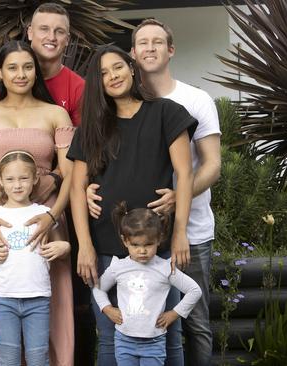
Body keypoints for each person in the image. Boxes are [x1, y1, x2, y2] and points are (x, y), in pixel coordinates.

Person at [87, 18, 221, 365]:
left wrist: (180, 198)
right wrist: (86, 188)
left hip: (185, 230)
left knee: (191, 323)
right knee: (124, 327)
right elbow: (93, 166)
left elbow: (210, 165)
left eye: (157, 42)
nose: (150, 48)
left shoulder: (191, 101)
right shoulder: (105, 114)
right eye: (142, 42)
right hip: (126, 237)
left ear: (170, 49)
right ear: (134, 53)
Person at [68, 44, 197, 366]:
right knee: (110, 337)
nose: (112, 76)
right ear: (97, 84)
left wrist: (179, 233)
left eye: (117, 67)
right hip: (107, 246)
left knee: (168, 333)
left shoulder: (166, 112)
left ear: (131, 67)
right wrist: (84, 245)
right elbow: (75, 187)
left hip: (157, 246)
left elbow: (184, 172)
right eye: (103, 74)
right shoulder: (92, 128)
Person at [0, 40, 75, 366]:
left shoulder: (55, 113)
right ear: (0, 73)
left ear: (36, 71)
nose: (20, 74)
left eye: (27, 66)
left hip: (44, 220)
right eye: (12, 67)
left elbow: (70, 170)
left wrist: (53, 216)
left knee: (49, 307)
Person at [0, 150, 70, 366]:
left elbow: (62, 249)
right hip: (4, 300)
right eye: (10, 179)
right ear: (0, 180)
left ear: (35, 179)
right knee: (9, 359)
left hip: (38, 299)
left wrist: (64, 247)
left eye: (24, 178)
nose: (17, 185)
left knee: (38, 358)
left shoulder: (44, 213)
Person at [92, 202, 201, 366]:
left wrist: (174, 313)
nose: (142, 251)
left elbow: (194, 290)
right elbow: (98, 288)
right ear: (125, 241)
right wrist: (107, 309)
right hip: (124, 341)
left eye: (148, 244)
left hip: (154, 343)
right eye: (135, 245)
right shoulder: (119, 267)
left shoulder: (165, 268)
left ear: (159, 240)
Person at [0, 3, 84, 126]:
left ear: (67, 39)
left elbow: (83, 141)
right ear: (30, 32)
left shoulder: (79, 89)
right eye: (44, 29)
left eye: (59, 31)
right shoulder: (1, 86)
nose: (51, 37)